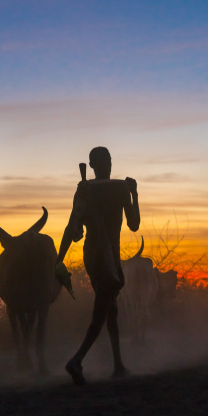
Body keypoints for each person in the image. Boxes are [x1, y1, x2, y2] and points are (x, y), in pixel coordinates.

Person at [57, 146, 140, 385]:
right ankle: (77, 360)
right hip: (107, 256)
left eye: (108, 160)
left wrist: (59, 260)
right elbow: (134, 225)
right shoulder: (120, 188)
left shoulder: (83, 191)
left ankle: (118, 365)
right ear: (97, 165)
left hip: (93, 255)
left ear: (91, 166)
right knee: (101, 311)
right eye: (107, 160)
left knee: (110, 308)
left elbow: (73, 231)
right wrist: (135, 193)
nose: (109, 164)